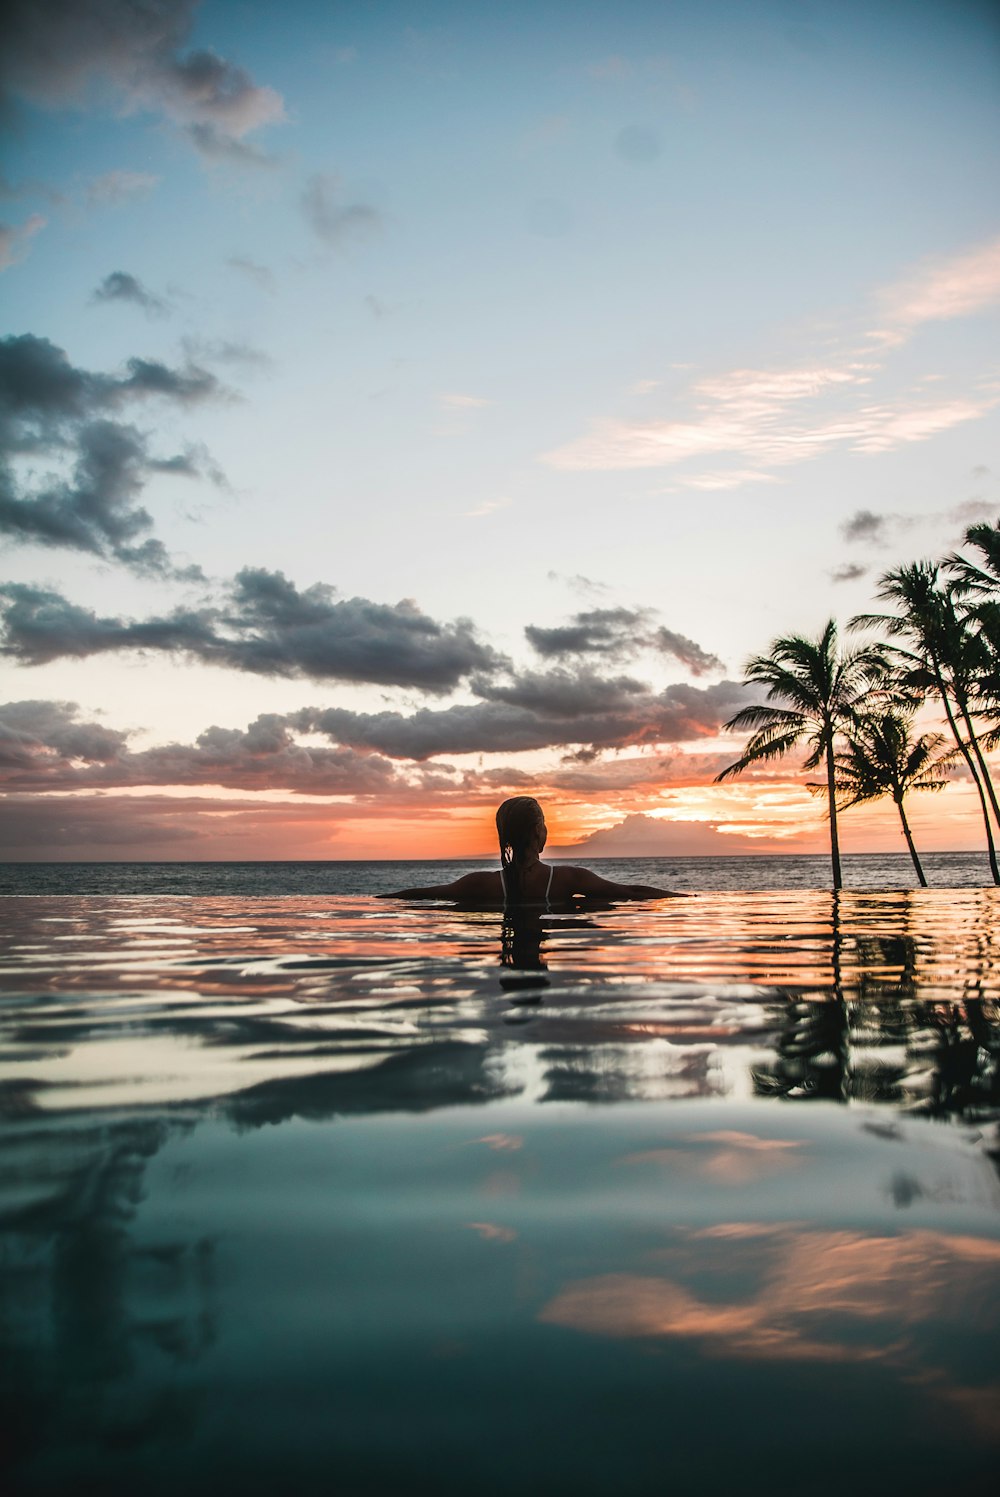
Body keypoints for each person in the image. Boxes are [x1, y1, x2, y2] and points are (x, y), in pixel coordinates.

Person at [378, 796, 684, 904]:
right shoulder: (567, 879)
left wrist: (380, 898)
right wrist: (685, 898)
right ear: (539, 833)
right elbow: (630, 893)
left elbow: (422, 894)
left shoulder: (480, 884)